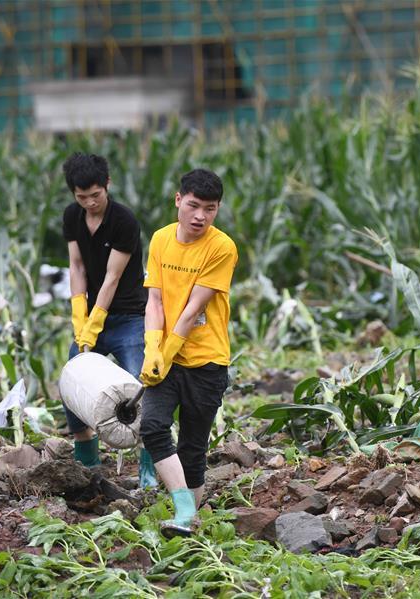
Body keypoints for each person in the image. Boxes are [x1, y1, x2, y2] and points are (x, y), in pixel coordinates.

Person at [139, 168, 238, 536]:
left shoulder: (221, 247)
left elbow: (193, 308)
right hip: (166, 356)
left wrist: (167, 351)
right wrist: (152, 349)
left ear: (217, 209)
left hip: (206, 361)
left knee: (193, 448)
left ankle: (188, 526)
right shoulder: (161, 240)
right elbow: (155, 299)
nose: (200, 216)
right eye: (194, 205)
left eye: (209, 209)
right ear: (178, 200)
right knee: (151, 426)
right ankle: (183, 508)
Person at [61, 152, 157, 489]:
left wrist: (96, 319)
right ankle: (86, 455)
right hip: (91, 314)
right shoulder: (73, 217)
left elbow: (112, 278)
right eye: (81, 196)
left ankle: (149, 464)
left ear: (107, 185)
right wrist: (79, 315)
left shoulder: (124, 221)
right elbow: (77, 267)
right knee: (72, 377)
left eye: (95, 195)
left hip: (129, 315)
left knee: (138, 385)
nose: (89, 203)